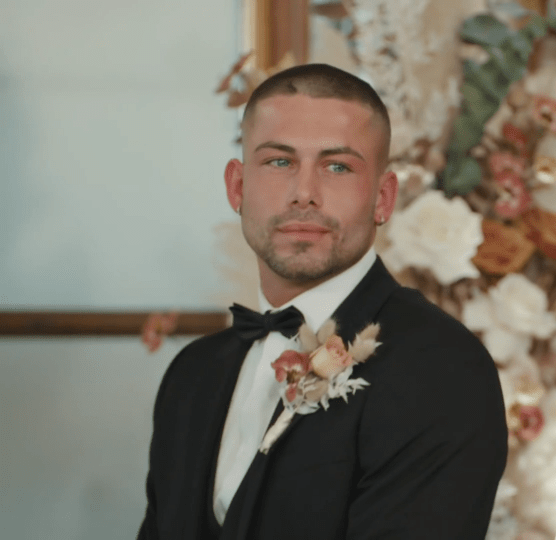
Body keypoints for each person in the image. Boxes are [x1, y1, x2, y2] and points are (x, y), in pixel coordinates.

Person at [137, 63, 508, 540]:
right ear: (237, 186)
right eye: (279, 161)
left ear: (383, 198)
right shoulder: (191, 376)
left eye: (337, 166)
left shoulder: (442, 368)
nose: (304, 193)